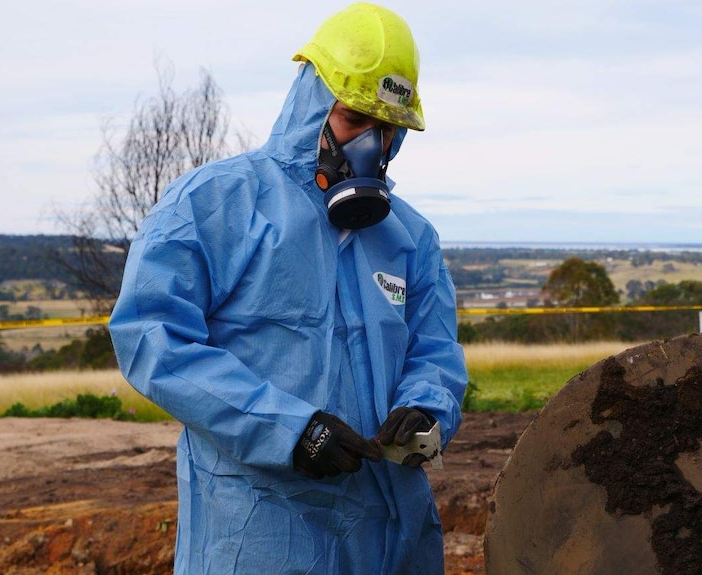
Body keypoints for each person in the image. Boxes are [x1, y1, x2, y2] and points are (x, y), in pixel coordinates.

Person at [109, 3, 468, 573]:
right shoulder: (213, 205)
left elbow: (436, 351)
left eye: (388, 129)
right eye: (354, 120)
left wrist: (426, 408)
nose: (370, 146)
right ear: (312, 105)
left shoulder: (410, 237)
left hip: (395, 539)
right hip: (261, 537)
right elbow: (151, 338)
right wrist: (286, 430)